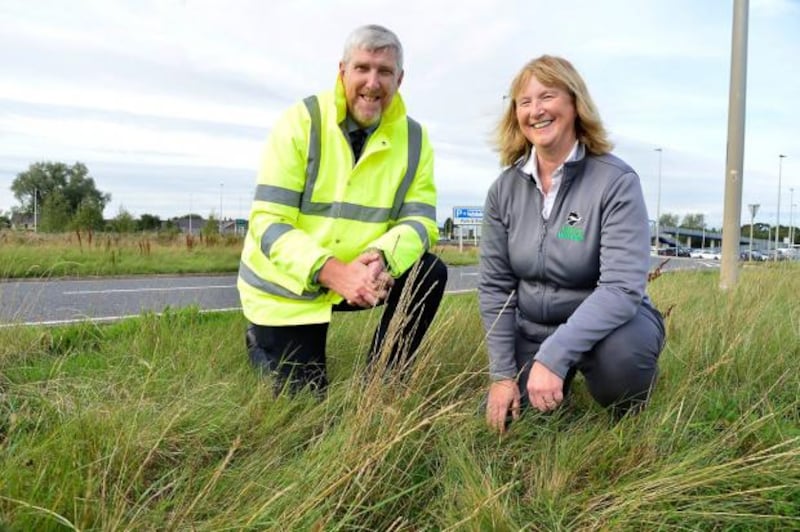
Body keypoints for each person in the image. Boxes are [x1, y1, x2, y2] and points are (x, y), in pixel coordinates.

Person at [238, 24, 447, 396]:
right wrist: (331, 271)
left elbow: (421, 222)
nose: (373, 82)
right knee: (304, 401)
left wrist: (384, 258)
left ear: (399, 79)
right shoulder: (301, 122)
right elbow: (267, 222)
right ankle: (261, 339)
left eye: (384, 71)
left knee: (429, 271)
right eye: (362, 68)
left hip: (363, 275)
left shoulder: (415, 139)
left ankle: (383, 382)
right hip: (289, 287)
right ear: (342, 71)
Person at [479, 55, 665, 432]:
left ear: (574, 103)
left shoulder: (616, 181)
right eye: (525, 102)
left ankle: (625, 397)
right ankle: (547, 380)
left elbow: (621, 288)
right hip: (534, 326)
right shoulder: (504, 190)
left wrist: (554, 355)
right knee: (515, 424)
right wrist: (501, 375)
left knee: (621, 366)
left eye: (547, 96)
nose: (536, 111)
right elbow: (495, 288)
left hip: (609, 329)